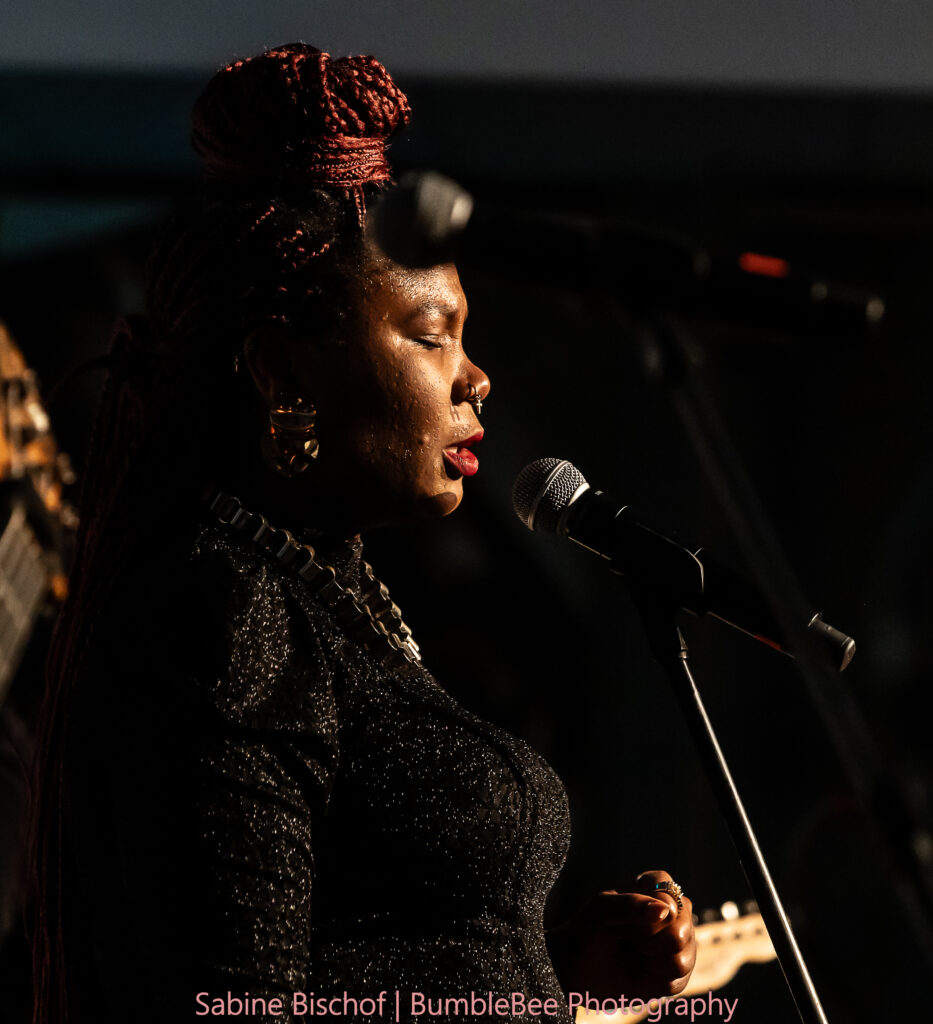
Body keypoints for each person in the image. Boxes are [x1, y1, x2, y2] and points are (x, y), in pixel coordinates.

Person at [27, 44, 695, 1023]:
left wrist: (557, 977)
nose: (475, 378)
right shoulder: (225, 614)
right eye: (430, 335)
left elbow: (373, 952)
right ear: (281, 372)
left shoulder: (312, 591)